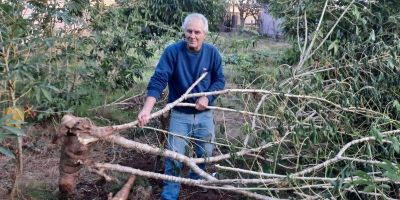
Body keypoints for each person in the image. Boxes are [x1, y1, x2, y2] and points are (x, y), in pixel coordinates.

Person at [137, 13, 225, 200]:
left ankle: (196, 179)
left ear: (205, 34)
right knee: (174, 156)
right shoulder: (172, 52)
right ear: (184, 32)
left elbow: (219, 80)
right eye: (189, 31)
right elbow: (158, 80)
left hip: (205, 114)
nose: (192, 36)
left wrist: (208, 97)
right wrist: (147, 109)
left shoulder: (212, 53)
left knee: (205, 152)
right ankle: (170, 194)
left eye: (197, 32)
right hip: (179, 114)